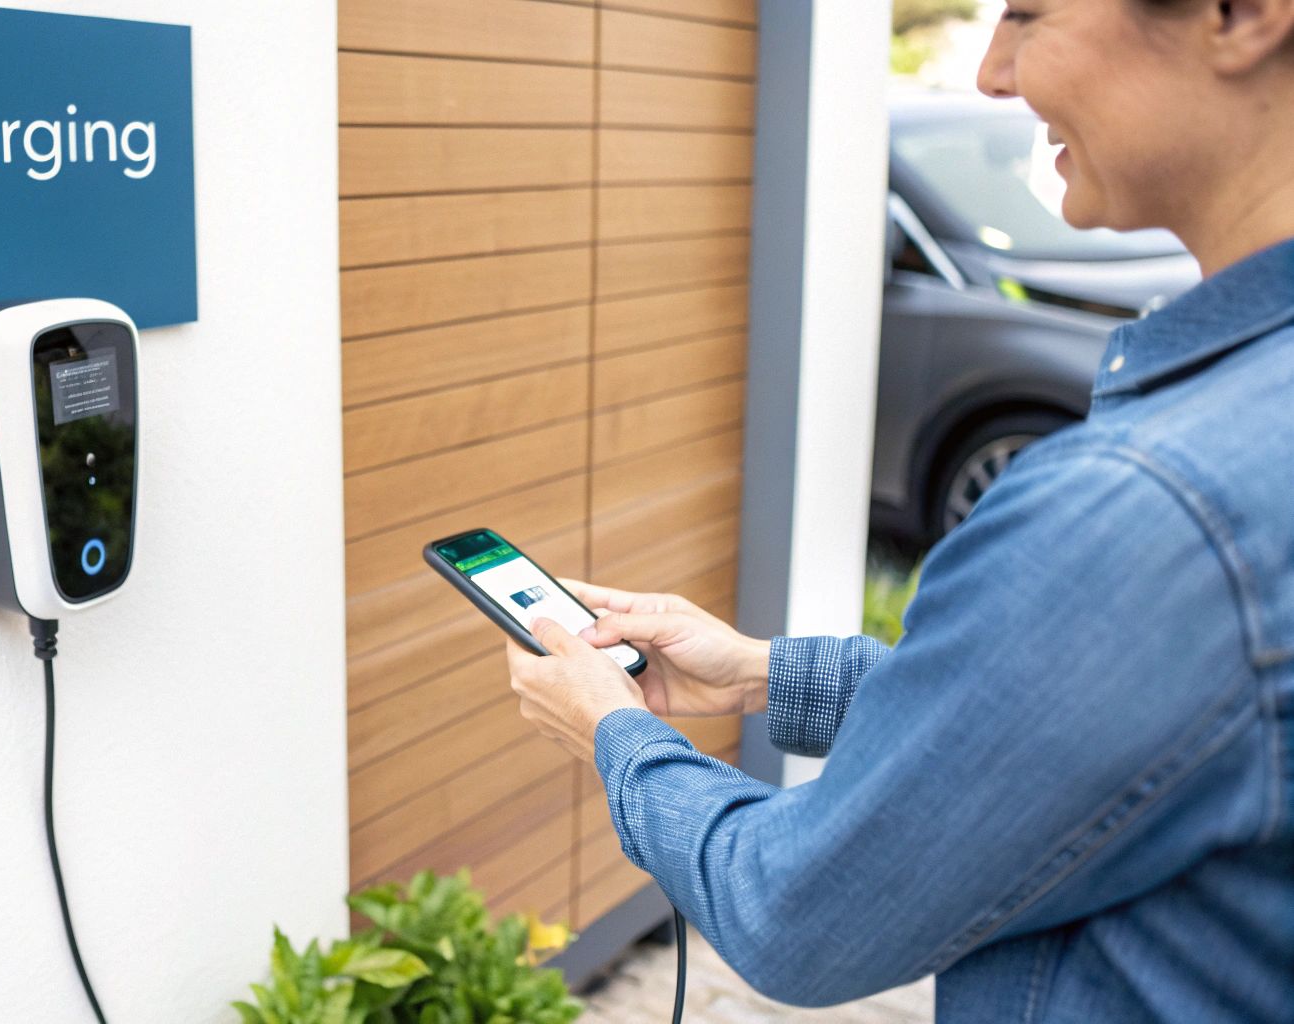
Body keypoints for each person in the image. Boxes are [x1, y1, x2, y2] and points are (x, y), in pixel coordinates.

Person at [504, 1, 1294, 1019]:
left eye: (1027, 13)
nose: (992, 74)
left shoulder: (1151, 506)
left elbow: (796, 911)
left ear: (1239, 15)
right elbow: (1103, 734)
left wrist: (612, 731)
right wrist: (762, 671)